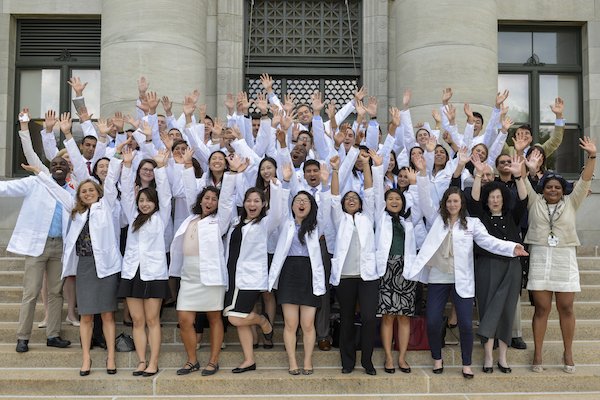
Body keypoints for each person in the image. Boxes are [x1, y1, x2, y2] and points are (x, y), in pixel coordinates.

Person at [405, 160, 528, 379]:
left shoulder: (472, 224)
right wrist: (422, 173)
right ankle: (437, 359)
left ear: (462, 204)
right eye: (449, 201)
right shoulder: (437, 220)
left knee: (464, 322)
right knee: (433, 320)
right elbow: (423, 200)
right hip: (438, 277)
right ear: (445, 204)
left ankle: (467, 363)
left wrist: (512, 247)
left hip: (462, 279)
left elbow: (489, 242)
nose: (452, 204)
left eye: (456, 201)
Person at [24, 157, 123, 376]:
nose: (88, 194)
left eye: (91, 190)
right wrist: (39, 173)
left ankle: (110, 357)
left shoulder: (105, 205)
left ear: (98, 192)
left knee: (107, 315)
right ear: (79, 195)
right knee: (86, 316)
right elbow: (55, 189)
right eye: (83, 191)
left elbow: (112, 179)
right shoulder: (75, 210)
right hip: (85, 267)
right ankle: (86, 358)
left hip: (105, 267)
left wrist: (116, 156)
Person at [525, 137, 596, 374]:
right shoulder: (534, 202)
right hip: (540, 256)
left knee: (566, 307)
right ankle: (538, 354)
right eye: (548, 186)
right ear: (542, 189)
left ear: (562, 189)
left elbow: (585, 180)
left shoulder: (571, 201)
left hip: (564, 256)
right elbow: (523, 179)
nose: (553, 190)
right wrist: (528, 169)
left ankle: (568, 352)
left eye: (556, 187)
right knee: (542, 308)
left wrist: (592, 156)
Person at [169, 155, 243, 376]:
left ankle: (213, 360)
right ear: (201, 201)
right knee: (184, 319)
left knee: (213, 318)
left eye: (214, 199)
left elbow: (228, 200)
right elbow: (191, 190)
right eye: (207, 198)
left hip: (210, 276)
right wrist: (188, 166)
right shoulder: (190, 218)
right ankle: (192, 360)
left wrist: (231, 174)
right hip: (189, 276)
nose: (210, 202)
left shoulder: (219, 221)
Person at [268, 169, 331, 376]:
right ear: (292, 205)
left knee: (307, 323)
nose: (301, 203)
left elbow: (327, 207)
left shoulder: (316, 226)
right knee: (290, 323)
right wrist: (285, 184)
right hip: (289, 275)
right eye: (298, 200)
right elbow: (277, 210)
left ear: (311, 206)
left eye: (306, 200)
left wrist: (326, 184)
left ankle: (308, 361)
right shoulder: (284, 224)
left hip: (309, 275)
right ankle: (293, 361)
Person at [469, 155, 528, 373]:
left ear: (503, 199)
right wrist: (477, 175)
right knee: (487, 307)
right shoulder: (481, 217)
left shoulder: (513, 216)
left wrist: (519, 175)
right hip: (487, 266)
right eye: (491, 197)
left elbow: (523, 200)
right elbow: (473, 202)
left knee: (507, 311)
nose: (495, 200)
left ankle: (502, 357)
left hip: (512, 267)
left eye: (498, 197)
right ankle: (487, 356)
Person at [117, 148, 171, 377]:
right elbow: (127, 196)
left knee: (152, 319)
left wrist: (160, 168)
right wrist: (128, 167)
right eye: (141, 200)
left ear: (155, 203)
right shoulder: (132, 217)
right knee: (137, 320)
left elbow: (166, 195)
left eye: (148, 201)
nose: (144, 204)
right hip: (132, 273)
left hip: (154, 274)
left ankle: (153, 362)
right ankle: (141, 360)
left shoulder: (161, 218)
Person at [224, 180, 286, 373]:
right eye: (249, 201)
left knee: (235, 317)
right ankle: (249, 359)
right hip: (232, 277)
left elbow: (277, 214)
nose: (252, 204)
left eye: (257, 201)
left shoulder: (265, 224)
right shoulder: (236, 223)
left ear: (263, 204)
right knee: (240, 317)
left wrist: (275, 187)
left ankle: (262, 321)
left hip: (250, 278)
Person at [329, 151, 380, 375]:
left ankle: (367, 361)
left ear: (359, 204)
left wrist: (367, 165)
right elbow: (334, 195)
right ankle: (347, 361)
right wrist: (334, 171)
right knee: (347, 319)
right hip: (345, 277)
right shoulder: (339, 218)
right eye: (348, 198)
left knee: (369, 318)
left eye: (355, 198)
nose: (351, 200)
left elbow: (369, 192)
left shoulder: (367, 217)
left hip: (368, 276)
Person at [372, 155, 420, 375]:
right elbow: (373, 193)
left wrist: (415, 182)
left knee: (404, 316)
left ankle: (402, 357)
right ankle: (389, 358)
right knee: (388, 316)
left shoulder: (407, 221)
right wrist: (377, 167)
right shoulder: (379, 218)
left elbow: (420, 202)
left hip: (406, 270)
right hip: (386, 269)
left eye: (397, 199)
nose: (394, 201)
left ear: (402, 203)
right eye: (390, 198)